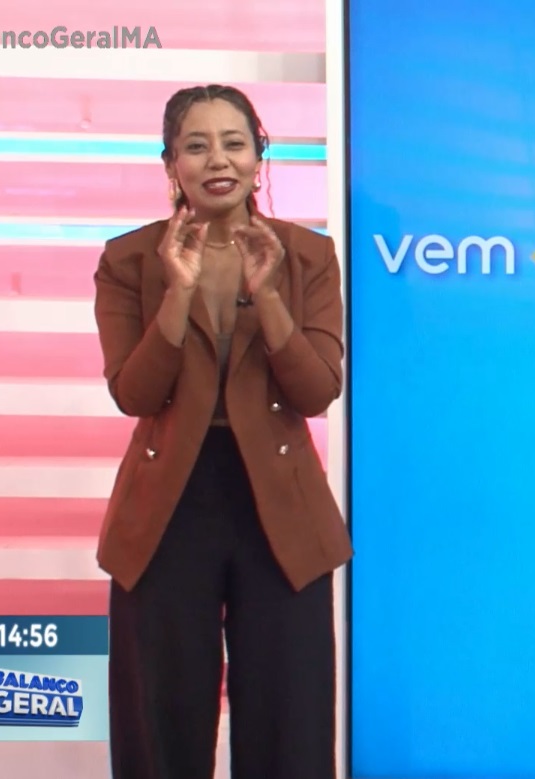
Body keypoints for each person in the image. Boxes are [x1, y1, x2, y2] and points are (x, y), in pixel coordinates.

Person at [92, 84, 351, 779]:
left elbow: (316, 391)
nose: (218, 160)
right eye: (196, 146)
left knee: (287, 717)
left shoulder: (307, 255)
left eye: (234, 143)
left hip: (280, 505)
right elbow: (134, 393)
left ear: (258, 157)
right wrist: (177, 292)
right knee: (162, 718)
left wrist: (268, 296)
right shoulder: (128, 260)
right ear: (170, 162)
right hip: (168, 505)